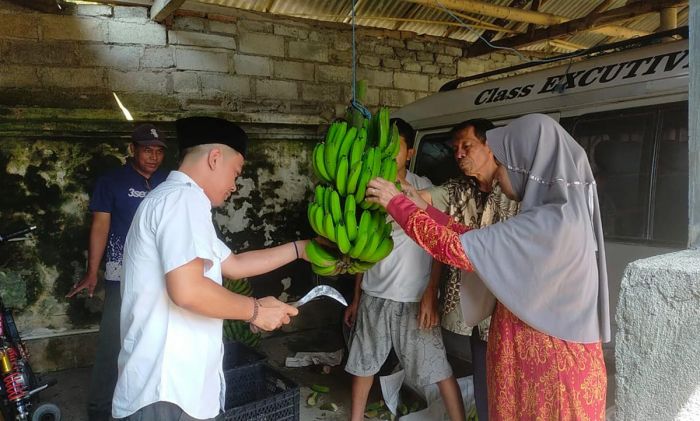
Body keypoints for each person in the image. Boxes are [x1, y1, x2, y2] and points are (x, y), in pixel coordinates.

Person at [366, 114, 609, 420]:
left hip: (551, 372)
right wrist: (424, 211)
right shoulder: (556, 215)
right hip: (534, 361)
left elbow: (460, 250)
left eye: (504, 164)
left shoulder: (550, 222)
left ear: (527, 167)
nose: (499, 172)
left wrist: (395, 204)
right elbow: (478, 241)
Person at [111, 116, 304, 421]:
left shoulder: (177, 201)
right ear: (215, 158)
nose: (234, 185)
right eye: (235, 172)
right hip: (166, 389)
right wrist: (255, 310)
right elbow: (187, 290)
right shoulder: (182, 200)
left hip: (175, 386)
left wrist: (301, 249)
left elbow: (235, 266)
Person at [344, 118, 464, 421]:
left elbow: (438, 246)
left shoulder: (424, 189)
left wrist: (430, 293)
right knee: (363, 364)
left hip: (413, 296)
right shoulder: (367, 190)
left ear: (409, 152)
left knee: (437, 367)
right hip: (374, 294)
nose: (387, 152)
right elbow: (363, 249)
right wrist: (357, 297)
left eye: (394, 146)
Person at [418, 119, 519, 421]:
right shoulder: (457, 190)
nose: (459, 153)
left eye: (467, 146)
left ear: (490, 146)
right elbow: (420, 200)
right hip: (478, 314)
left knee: (514, 391)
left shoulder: (518, 191)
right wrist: (393, 193)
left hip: (512, 313)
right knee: (485, 389)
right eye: (456, 149)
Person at [66, 123, 168, 421]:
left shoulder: (169, 182)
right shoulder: (111, 181)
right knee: (114, 343)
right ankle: (99, 410)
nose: (153, 157)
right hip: (121, 274)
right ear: (132, 149)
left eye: (159, 151)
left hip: (163, 274)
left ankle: (148, 403)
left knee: (158, 340)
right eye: (147, 150)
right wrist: (92, 271)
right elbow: (101, 226)